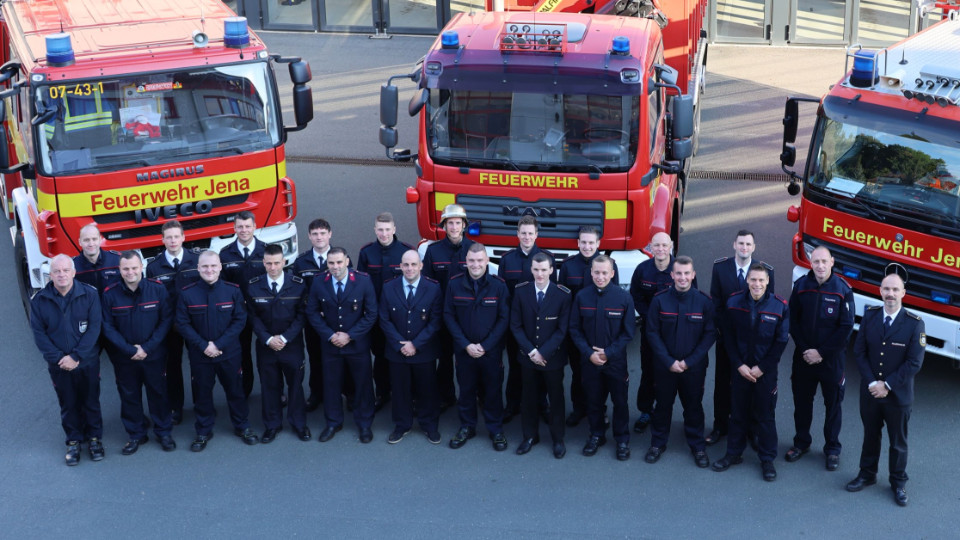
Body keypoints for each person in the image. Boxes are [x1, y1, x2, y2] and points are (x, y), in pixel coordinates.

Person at [846, 273, 925, 507]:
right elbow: (859, 352)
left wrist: (887, 385)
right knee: (870, 435)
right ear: (880, 291)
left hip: (898, 395)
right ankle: (867, 474)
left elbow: (914, 363)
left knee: (898, 441)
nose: (890, 294)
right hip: (870, 392)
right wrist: (872, 383)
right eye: (886, 289)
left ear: (903, 293)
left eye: (895, 289)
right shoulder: (870, 316)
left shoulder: (914, 323)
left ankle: (898, 482)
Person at [176, 250, 259, 451]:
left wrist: (218, 344)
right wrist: (204, 346)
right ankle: (203, 430)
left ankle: (242, 426)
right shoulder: (187, 293)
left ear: (220, 267)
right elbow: (182, 323)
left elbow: (240, 320)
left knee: (235, 391)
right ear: (198, 268)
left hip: (228, 353)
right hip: (200, 355)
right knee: (202, 394)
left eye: (213, 266)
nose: (209, 270)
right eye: (205, 266)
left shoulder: (233, 291)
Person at [712, 263, 788, 482]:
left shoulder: (779, 306)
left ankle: (767, 459)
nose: (757, 284)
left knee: (765, 416)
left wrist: (762, 368)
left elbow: (781, 342)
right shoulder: (733, 302)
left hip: (765, 373)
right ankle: (733, 454)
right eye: (753, 279)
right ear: (747, 280)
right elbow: (728, 336)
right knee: (737, 414)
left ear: (768, 282)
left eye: (761, 280)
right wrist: (739, 365)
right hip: (741, 370)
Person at [30, 254, 104, 466]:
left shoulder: (90, 295)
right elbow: (39, 335)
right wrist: (60, 359)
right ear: (50, 275)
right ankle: (73, 441)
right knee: (68, 403)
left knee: (91, 401)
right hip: (59, 365)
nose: (61, 275)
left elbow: (94, 329)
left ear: (73, 272)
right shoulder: (40, 300)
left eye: (65, 270)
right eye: (56, 271)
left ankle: (94, 439)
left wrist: (76, 356)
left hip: (86, 361)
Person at [785, 246, 854, 471]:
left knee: (833, 405)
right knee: (802, 403)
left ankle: (832, 449)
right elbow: (792, 320)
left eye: (824, 261)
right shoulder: (801, 287)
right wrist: (807, 350)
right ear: (810, 263)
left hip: (831, 361)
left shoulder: (843, 290)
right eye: (816, 262)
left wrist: (821, 353)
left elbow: (845, 328)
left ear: (832, 262)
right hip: (804, 357)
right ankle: (801, 443)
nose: (820, 266)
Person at [101, 251, 176, 454]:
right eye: (125, 269)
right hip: (125, 358)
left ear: (141, 267)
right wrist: (129, 349)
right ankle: (136, 435)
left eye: (134, 268)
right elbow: (107, 327)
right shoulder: (110, 294)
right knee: (129, 395)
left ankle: (163, 432)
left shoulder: (157, 290)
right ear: (120, 270)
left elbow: (165, 321)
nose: (130, 272)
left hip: (154, 354)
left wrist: (147, 348)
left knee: (158, 393)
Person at [644, 256, 715, 468]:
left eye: (687, 274)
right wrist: (668, 361)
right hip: (665, 368)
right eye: (679, 274)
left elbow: (709, 335)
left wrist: (688, 362)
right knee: (663, 406)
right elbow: (652, 333)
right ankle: (657, 443)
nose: (683, 278)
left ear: (693, 275)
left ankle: (697, 446)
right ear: (672, 275)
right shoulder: (659, 300)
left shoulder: (704, 302)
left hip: (693, 369)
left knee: (693, 406)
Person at [708, 230, 775, 446]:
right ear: (734, 245)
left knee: (752, 384)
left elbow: (768, 306)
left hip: (753, 344)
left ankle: (751, 429)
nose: (744, 247)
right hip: (727, 340)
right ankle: (720, 426)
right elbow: (716, 304)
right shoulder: (720, 268)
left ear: (754, 247)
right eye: (741, 243)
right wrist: (724, 334)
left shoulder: (765, 271)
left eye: (748, 244)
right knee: (722, 384)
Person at [306, 247, 378, 444]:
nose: (335, 267)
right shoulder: (319, 281)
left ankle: (364, 423)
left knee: (363, 385)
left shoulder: (363, 280)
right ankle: (333, 422)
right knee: (331, 385)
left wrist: (350, 335)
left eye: (339, 262)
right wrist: (330, 335)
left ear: (347, 261)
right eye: (331, 263)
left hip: (357, 345)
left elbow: (371, 313)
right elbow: (312, 312)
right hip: (331, 345)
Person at [444, 243, 510, 451]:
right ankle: (467, 426)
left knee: (492, 390)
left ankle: (495, 429)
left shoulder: (499, 285)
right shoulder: (454, 284)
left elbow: (504, 318)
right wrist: (465, 344)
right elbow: (448, 315)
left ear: (487, 261)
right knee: (466, 390)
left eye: (480, 260)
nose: (476, 264)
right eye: (471, 261)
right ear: (466, 262)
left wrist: (486, 345)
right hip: (464, 351)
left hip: (490, 351)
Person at [629, 231, 697, 433]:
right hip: (651, 333)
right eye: (656, 245)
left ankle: (681, 415)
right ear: (650, 247)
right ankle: (646, 411)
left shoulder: (680, 270)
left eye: (664, 245)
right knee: (648, 372)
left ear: (671, 246)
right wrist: (651, 317)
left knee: (678, 375)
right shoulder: (642, 270)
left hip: (676, 333)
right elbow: (636, 296)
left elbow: (692, 298)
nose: (660, 249)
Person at [569, 255, 635, 461]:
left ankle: (622, 439)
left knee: (620, 402)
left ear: (612, 274)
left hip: (614, 362)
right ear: (591, 273)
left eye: (605, 272)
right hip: (590, 362)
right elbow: (574, 329)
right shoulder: (581, 297)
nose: (600, 276)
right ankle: (596, 435)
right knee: (593, 401)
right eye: (596, 272)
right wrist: (590, 354)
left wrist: (608, 352)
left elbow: (628, 332)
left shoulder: (624, 298)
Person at [245, 244, 311, 443]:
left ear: (284, 262)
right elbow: (252, 317)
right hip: (266, 346)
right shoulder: (254, 285)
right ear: (263, 263)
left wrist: (284, 338)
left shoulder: (298, 284)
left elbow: (302, 315)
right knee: (269, 386)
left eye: (276, 263)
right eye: (269, 263)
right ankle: (272, 425)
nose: (273, 267)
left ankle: (299, 424)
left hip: (291, 345)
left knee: (296, 386)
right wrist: (267, 338)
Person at [510, 252, 571, 459]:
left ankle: (557, 439)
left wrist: (543, 352)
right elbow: (516, 326)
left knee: (556, 398)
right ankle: (529, 436)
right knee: (528, 398)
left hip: (552, 358)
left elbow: (562, 330)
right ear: (531, 270)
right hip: (527, 357)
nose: (540, 274)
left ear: (552, 270)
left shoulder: (563, 294)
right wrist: (531, 351)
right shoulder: (521, 292)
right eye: (536, 269)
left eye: (544, 270)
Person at [378, 250, 444, 445]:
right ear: (400, 266)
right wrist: (401, 345)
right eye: (406, 265)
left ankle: (429, 425)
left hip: (424, 350)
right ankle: (401, 425)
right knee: (400, 391)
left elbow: (435, 321)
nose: (409, 269)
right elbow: (384, 319)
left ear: (421, 266)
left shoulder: (433, 288)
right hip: (397, 351)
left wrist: (415, 344)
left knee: (427, 390)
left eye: (414, 264)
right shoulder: (389, 287)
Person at [558, 226, 620, 427]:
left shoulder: (610, 266)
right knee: (578, 372)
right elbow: (563, 300)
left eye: (591, 243)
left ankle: (600, 411)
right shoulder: (567, 266)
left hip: (600, 329)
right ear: (577, 243)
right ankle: (579, 409)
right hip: (576, 329)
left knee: (600, 372)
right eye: (583, 242)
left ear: (598, 244)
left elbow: (614, 297)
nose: (587, 246)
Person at [498, 215, 554, 423]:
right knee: (515, 366)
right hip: (516, 325)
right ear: (517, 234)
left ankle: (542, 405)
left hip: (540, 324)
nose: (527, 237)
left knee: (541, 366)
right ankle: (512, 404)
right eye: (523, 233)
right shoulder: (507, 259)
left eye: (531, 233)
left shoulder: (547, 258)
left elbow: (552, 294)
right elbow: (504, 296)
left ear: (537, 234)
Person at [146, 220, 201, 425]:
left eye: (176, 236)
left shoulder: (196, 261)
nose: (172, 241)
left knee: (198, 365)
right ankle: (175, 407)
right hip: (169, 327)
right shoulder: (153, 267)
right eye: (168, 237)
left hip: (194, 324)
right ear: (162, 240)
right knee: (172, 367)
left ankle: (200, 404)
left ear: (183, 237)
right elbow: (153, 299)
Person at [358, 212, 414, 412]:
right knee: (380, 356)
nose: (384, 234)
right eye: (380, 230)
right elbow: (361, 286)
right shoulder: (366, 253)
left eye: (387, 229)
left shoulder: (406, 252)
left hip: (401, 316)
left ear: (394, 229)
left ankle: (408, 394)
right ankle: (382, 392)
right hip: (375, 317)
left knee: (404, 355)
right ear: (375, 230)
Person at [423, 203, 475, 409]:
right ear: (444, 226)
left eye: (457, 223)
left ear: (464, 225)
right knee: (444, 360)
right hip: (443, 317)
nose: (454, 227)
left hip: (468, 317)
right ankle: (446, 397)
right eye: (450, 223)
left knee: (469, 362)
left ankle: (470, 398)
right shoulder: (433, 251)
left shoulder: (473, 249)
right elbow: (427, 286)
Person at [219, 210, 266, 397]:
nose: (244, 230)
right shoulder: (225, 254)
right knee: (242, 352)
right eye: (240, 227)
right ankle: (245, 391)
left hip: (263, 311)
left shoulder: (266, 250)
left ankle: (272, 391)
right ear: (234, 228)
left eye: (248, 226)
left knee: (266, 352)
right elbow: (223, 287)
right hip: (238, 313)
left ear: (255, 227)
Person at [293, 218, 333, 412]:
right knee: (315, 357)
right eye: (315, 234)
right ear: (309, 236)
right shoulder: (301, 262)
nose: (319, 237)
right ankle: (317, 393)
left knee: (341, 356)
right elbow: (298, 292)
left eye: (323, 233)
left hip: (337, 320)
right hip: (313, 322)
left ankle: (348, 392)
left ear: (329, 234)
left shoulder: (339, 256)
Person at [73, 223, 120, 293]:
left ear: (100, 240)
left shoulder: (117, 260)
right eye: (86, 240)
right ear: (80, 242)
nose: (91, 244)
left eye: (94, 239)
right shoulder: (72, 266)